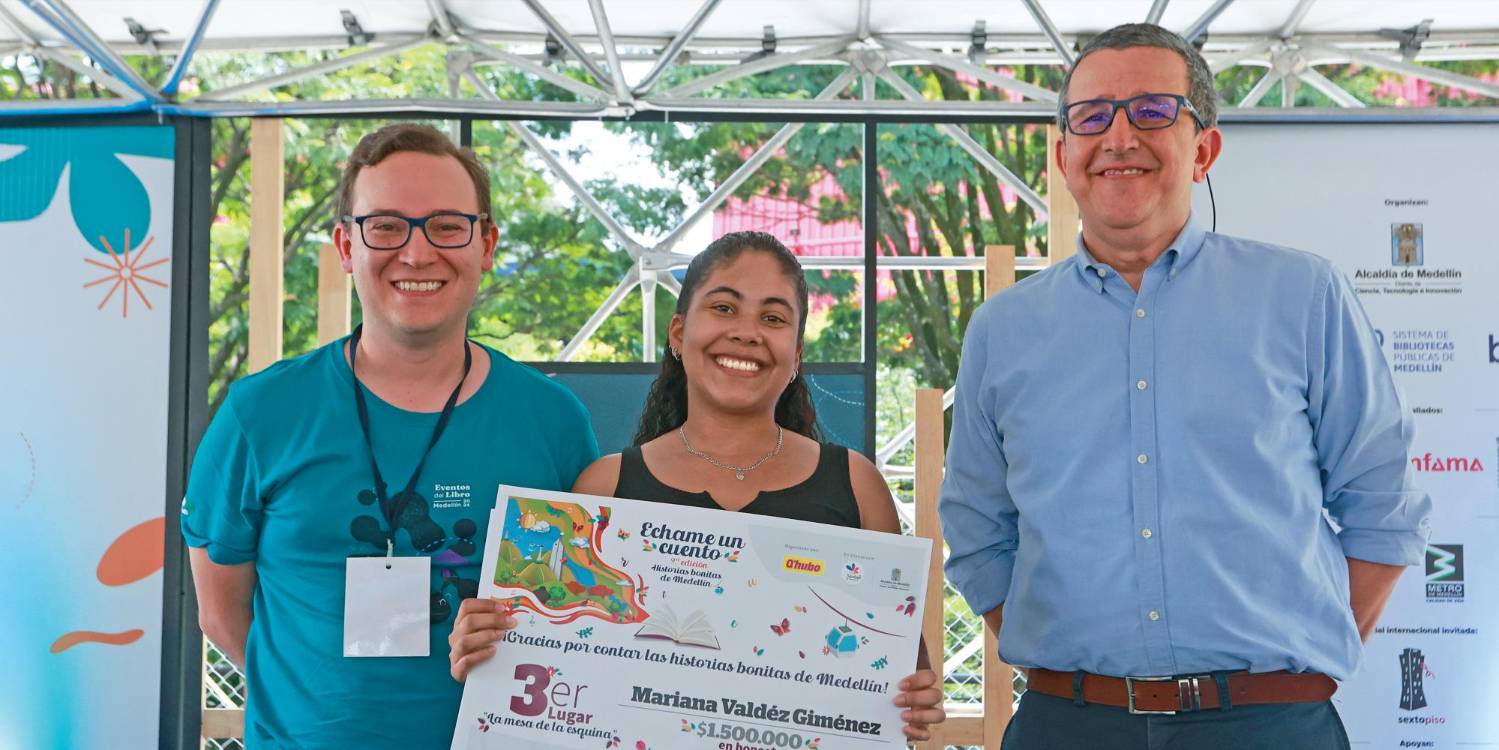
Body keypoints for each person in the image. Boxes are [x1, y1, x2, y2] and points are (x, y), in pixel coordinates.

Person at [939, 23, 1432, 749]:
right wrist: (1074, 670)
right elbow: (978, 529)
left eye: (1151, 111)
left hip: (1269, 725)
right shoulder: (1002, 330)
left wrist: (1290, 671)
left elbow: (1381, 504)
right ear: (1063, 154)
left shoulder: (1302, 296)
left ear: (1203, 150)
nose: (1118, 137)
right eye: (1091, 117)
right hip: (1068, 725)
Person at [183, 123, 598, 748]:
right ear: (346, 245)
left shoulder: (553, 421)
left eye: (447, 226)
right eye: (386, 226)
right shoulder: (259, 414)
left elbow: (576, 617)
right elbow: (220, 614)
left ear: (486, 244)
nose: (417, 252)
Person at [449, 231, 947, 741]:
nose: (747, 332)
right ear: (678, 332)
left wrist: (914, 702)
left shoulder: (857, 486)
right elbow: (546, 669)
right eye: (724, 308)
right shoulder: (602, 491)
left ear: (796, 353)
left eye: (773, 318)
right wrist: (488, 649)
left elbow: (900, 671)